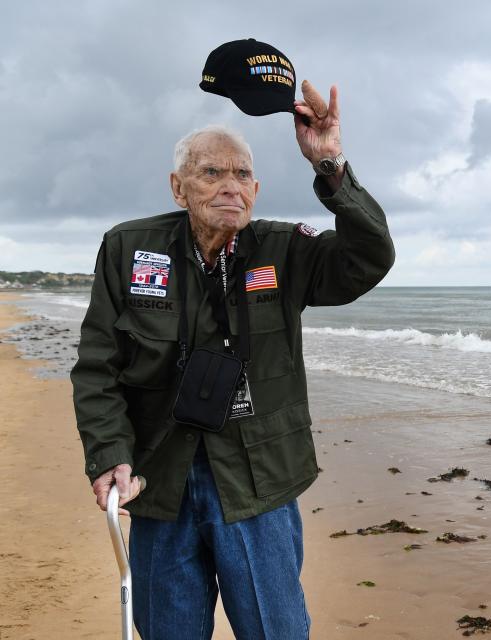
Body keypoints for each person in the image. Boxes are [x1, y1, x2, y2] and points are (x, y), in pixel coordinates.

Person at [71, 80, 394, 639]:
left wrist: (330, 164)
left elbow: (369, 258)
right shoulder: (128, 248)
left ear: (258, 187)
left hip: (256, 484)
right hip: (159, 479)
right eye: (211, 173)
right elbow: (99, 365)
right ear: (178, 187)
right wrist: (108, 455)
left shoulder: (285, 248)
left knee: (277, 631)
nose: (230, 187)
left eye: (242, 175)